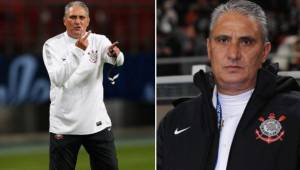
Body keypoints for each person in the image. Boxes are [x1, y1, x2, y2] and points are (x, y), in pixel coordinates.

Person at [157, 0, 300, 170]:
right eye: (223, 40)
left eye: (246, 42)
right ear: (209, 48)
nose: (233, 54)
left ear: (264, 52)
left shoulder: (295, 113)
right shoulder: (175, 120)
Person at [42, 1, 124, 170]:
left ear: (88, 21)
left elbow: (117, 58)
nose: (77, 21)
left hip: (96, 122)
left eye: (81, 17)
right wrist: (78, 51)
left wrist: (116, 55)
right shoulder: (51, 45)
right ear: (65, 20)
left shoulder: (99, 41)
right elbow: (57, 79)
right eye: (73, 17)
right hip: (64, 125)